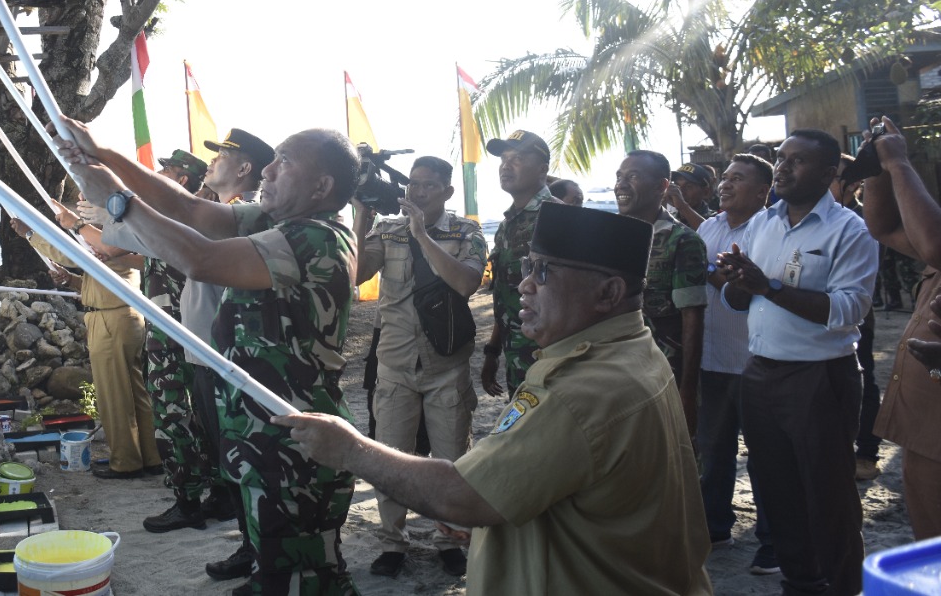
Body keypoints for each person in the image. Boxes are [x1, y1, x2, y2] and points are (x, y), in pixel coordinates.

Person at [274, 203, 712, 595]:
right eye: (527, 266)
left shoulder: (580, 388)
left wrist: (350, 449)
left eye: (543, 271)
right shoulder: (633, 348)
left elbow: (461, 497)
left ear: (609, 293)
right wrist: (492, 529)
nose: (523, 285)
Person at [60, 121, 361, 596]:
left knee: (308, 576)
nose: (268, 169)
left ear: (321, 187)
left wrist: (117, 201)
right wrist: (107, 156)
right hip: (262, 428)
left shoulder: (317, 238)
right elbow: (187, 209)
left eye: (285, 162)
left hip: (294, 437)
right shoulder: (277, 220)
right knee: (279, 564)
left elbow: (199, 258)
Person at [100, 129, 275, 578]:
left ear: (244, 169)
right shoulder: (221, 215)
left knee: (243, 461)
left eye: (223, 156)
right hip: (204, 356)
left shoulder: (242, 218)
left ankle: (261, 553)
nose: (212, 161)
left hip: (227, 359)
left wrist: (110, 188)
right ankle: (250, 548)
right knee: (227, 458)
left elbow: (170, 238)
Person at [718, 129, 878, 595]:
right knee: (777, 488)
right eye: (781, 158)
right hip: (760, 372)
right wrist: (738, 282)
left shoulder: (849, 229)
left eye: (798, 161)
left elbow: (848, 310)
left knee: (828, 494)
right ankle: (802, 581)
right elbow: (741, 300)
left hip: (819, 378)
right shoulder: (762, 224)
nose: (783, 168)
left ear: (830, 173)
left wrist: (767, 286)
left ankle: (845, 584)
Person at [351, 156, 487, 579]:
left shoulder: (466, 230)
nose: (418, 191)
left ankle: (449, 539)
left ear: (447, 191)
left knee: (452, 461)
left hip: (446, 365)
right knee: (392, 456)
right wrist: (360, 217)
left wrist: (422, 236)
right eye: (413, 184)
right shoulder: (386, 230)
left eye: (429, 185)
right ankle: (393, 542)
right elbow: (355, 272)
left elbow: (467, 283)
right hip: (394, 362)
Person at [13, 212, 163, 480]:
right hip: (119, 316)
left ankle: (126, 462)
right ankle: (150, 455)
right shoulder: (117, 240)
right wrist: (71, 281)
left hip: (111, 319)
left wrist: (29, 234)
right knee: (133, 392)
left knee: (113, 395)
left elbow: (69, 255)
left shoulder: (112, 240)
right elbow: (100, 278)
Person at [861, 115, 941, 540]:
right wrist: (877, 169)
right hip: (928, 427)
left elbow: (935, 246)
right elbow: (884, 228)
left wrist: (898, 165)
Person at [695, 154, 776, 574]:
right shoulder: (710, 226)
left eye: (738, 179)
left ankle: (772, 542)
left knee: (765, 456)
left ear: (763, 191)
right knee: (714, 451)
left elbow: (746, 284)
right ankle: (715, 527)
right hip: (713, 358)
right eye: (724, 178)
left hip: (754, 360)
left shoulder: (769, 229)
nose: (725, 185)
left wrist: (715, 273)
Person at [128, 149, 215, 531]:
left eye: (168, 170)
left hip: (175, 334)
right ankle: (210, 494)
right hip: (171, 331)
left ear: (182, 180)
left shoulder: (177, 220)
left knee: (174, 416)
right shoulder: (175, 219)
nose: (158, 172)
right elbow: (145, 259)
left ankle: (188, 500)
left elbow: (114, 245)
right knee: (189, 416)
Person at [615, 150, 706, 435]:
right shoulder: (611, 236)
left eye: (633, 177)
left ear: (662, 187)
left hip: (665, 374)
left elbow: (693, 321)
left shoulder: (682, 240)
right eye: (619, 177)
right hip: (619, 373)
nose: (621, 184)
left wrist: (687, 392)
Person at [480, 130, 559, 398]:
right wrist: (493, 351)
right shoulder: (506, 225)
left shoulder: (560, 217)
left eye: (518, 158)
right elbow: (506, 295)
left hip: (550, 359)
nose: (506, 165)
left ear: (542, 169)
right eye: (504, 158)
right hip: (515, 355)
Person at [829, 154, 883, 482]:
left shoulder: (864, 222)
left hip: (855, 316)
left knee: (863, 379)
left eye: (832, 176)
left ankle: (866, 451)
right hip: (817, 319)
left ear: (853, 185)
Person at [666, 163, 716, 229]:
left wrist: (682, 206)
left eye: (688, 186)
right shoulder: (670, 216)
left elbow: (709, 232)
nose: (680, 191)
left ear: (705, 192)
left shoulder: (716, 219)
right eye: (676, 185)